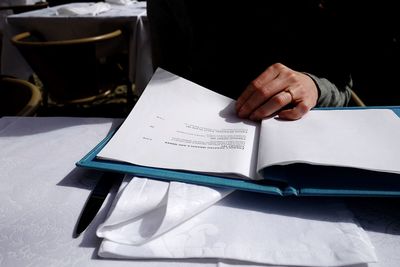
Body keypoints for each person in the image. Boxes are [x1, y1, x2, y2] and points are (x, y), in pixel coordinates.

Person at [147, 0, 352, 120]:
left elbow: (340, 84)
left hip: (289, 129)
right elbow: (167, 74)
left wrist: (314, 86)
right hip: (196, 128)